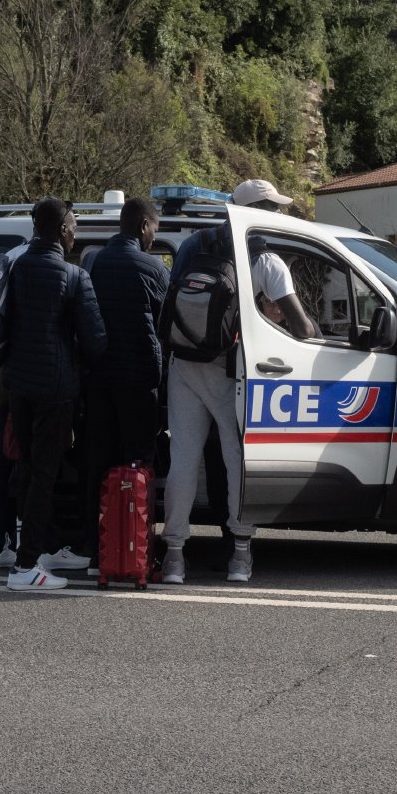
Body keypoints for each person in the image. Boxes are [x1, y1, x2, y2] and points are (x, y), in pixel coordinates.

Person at [160, 178, 313, 585]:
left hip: (185, 365)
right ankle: (240, 556)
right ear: (258, 212)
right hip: (232, 372)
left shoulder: (194, 245)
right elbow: (301, 325)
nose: (279, 216)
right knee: (236, 462)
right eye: (273, 208)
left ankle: (174, 557)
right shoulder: (266, 260)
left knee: (183, 463)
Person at [0, 197, 106, 590]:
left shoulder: (16, 268)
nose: (76, 232)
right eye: (75, 225)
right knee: (45, 475)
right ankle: (26, 567)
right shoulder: (75, 277)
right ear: (62, 230)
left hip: (19, 387)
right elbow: (95, 341)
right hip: (56, 389)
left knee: (26, 468)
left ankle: (31, 548)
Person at [78, 198, 169, 560]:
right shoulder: (153, 268)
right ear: (143, 226)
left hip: (98, 379)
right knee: (139, 464)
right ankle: (137, 547)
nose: (153, 236)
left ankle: (93, 545)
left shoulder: (93, 264)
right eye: (154, 229)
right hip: (139, 381)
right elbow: (168, 323)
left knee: (96, 462)